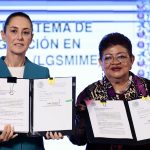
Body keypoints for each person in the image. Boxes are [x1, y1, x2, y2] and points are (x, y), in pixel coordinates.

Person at [69, 32, 150, 150]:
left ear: (132, 60)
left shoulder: (147, 89)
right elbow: (79, 140)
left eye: (121, 56)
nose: (115, 62)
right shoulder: (89, 94)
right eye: (108, 58)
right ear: (101, 63)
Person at [0, 11, 63, 150]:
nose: (20, 37)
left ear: (31, 38)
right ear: (3, 35)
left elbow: (45, 119)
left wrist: (52, 130)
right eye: (14, 31)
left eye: (26, 32)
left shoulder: (42, 72)